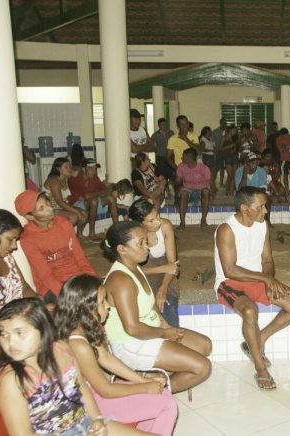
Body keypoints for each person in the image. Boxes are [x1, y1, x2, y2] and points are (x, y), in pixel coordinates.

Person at [0, 298, 148, 435]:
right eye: (4, 335)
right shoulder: (12, 381)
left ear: (42, 330)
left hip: (84, 424)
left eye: (20, 333)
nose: (11, 343)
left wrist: (97, 419)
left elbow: (82, 389)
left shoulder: (61, 348)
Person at [55, 275, 178, 435]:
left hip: (96, 396)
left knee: (163, 394)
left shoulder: (84, 328)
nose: (108, 306)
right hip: (88, 406)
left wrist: (143, 380)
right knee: (167, 405)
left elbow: (107, 358)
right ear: (86, 308)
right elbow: (105, 390)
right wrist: (145, 387)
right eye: (102, 302)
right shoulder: (77, 344)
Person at [101, 222, 211, 393]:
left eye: (146, 241)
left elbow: (151, 305)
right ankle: (151, 391)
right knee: (202, 368)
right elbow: (132, 329)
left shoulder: (135, 267)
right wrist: (165, 333)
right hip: (130, 343)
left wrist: (165, 325)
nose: (148, 247)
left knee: (203, 345)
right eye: (141, 243)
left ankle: (149, 374)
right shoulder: (120, 280)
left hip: (150, 332)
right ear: (122, 249)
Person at [214, 187, 290, 389]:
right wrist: (265, 279)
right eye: (261, 206)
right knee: (249, 310)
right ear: (245, 208)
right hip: (229, 283)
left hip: (258, 279)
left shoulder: (261, 225)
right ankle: (260, 368)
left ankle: (257, 339)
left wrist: (269, 281)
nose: (265, 211)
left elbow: (267, 259)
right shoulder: (226, 229)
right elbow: (230, 270)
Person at [14, 190, 97, 303]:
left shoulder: (64, 223)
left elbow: (80, 258)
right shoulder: (28, 239)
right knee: (81, 306)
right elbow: (46, 277)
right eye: (41, 209)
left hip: (76, 277)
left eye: (48, 203)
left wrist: (94, 279)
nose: (50, 209)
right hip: (52, 287)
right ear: (30, 217)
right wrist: (68, 296)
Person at [129, 199, 181, 327]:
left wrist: (163, 290)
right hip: (140, 277)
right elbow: (130, 270)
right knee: (145, 312)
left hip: (165, 277)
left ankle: (173, 341)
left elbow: (172, 265)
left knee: (169, 308)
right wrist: (164, 268)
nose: (157, 221)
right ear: (140, 223)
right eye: (151, 220)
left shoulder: (165, 226)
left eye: (157, 215)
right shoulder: (131, 233)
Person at [68, 158, 119, 241]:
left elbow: (105, 190)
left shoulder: (94, 178)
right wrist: (98, 193)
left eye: (95, 169)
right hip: (76, 204)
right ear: (84, 169)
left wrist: (96, 193)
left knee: (111, 198)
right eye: (91, 168)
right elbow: (86, 196)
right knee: (94, 201)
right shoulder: (76, 178)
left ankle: (117, 229)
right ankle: (92, 233)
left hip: (89, 202)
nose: (94, 171)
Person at [42, 157, 86, 238]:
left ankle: (79, 236)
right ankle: (61, 239)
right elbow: (60, 202)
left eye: (70, 166)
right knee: (74, 217)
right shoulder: (54, 180)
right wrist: (77, 212)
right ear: (58, 169)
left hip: (60, 208)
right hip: (50, 209)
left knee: (84, 213)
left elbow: (76, 172)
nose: (70, 169)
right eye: (66, 167)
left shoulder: (64, 179)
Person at [176, 147, 212, 229]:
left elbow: (210, 184)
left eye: (183, 156)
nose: (182, 158)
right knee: (184, 193)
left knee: (206, 191)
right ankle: (182, 222)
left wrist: (211, 195)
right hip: (188, 191)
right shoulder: (181, 166)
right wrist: (179, 188)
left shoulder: (203, 168)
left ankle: (203, 220)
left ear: (189, 158)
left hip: (201, 192)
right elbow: (177, 182)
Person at [150, 117, 175, 181]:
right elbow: (151, 144)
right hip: (160, 156)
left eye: (165, 124)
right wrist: (156, 150)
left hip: (170, 156)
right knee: (163, 173)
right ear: (159, 125)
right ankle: (165, 188)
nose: (163, 126)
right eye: (162, 124)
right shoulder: (155, 135)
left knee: (171, 172)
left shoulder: (171, 132)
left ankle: (171, 185)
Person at [275, 128, 290, 192]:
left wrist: (286, 146)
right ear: (282, 135)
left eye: (286, 135)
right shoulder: (278, 139)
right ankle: (286, 190)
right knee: (285, 174)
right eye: (284, 135)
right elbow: (281, 149)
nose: (286, 136)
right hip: (284, 159)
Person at [199, 125, 217, 194]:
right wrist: (211, 150)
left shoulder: (210, 138)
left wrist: (214, 149)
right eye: (210, 131)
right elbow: (201, 149)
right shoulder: (203, 139)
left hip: (212, 157)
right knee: (209, 173)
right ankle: (211, 187)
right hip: (207, 157)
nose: (211, 132)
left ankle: (211, 186)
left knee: (213, 172)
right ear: (206, 132)